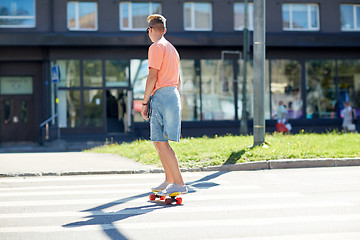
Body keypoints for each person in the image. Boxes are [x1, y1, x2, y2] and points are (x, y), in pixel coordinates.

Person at [140, 14, 188, 196]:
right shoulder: (173, 50)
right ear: (165, 30)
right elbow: (179, 80)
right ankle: (170, 180)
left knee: (160, 141)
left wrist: (145, 103)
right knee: (159, 142)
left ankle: (179, 183)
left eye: (148, 30)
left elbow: (152, 77)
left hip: (161, 95)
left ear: (151, 30)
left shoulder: (155, 47)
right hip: (172, 95)